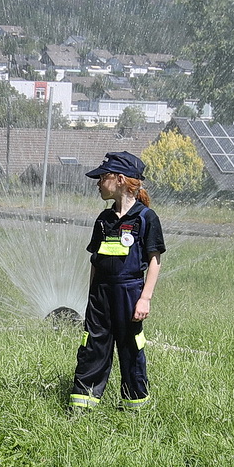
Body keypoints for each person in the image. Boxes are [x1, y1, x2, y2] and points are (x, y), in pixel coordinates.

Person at [70, 152, 165, 410]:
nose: (98, 183)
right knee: (93, 345)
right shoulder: (104, 220)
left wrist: (145, 298)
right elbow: (95, 261)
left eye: (103, 177)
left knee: (130, 347)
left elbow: (154, 260)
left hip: (130, 292)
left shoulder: (145, 218)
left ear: (120, 179)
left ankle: (135, 404)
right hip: (101, 293)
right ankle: (83, 404)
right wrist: (91, 297)